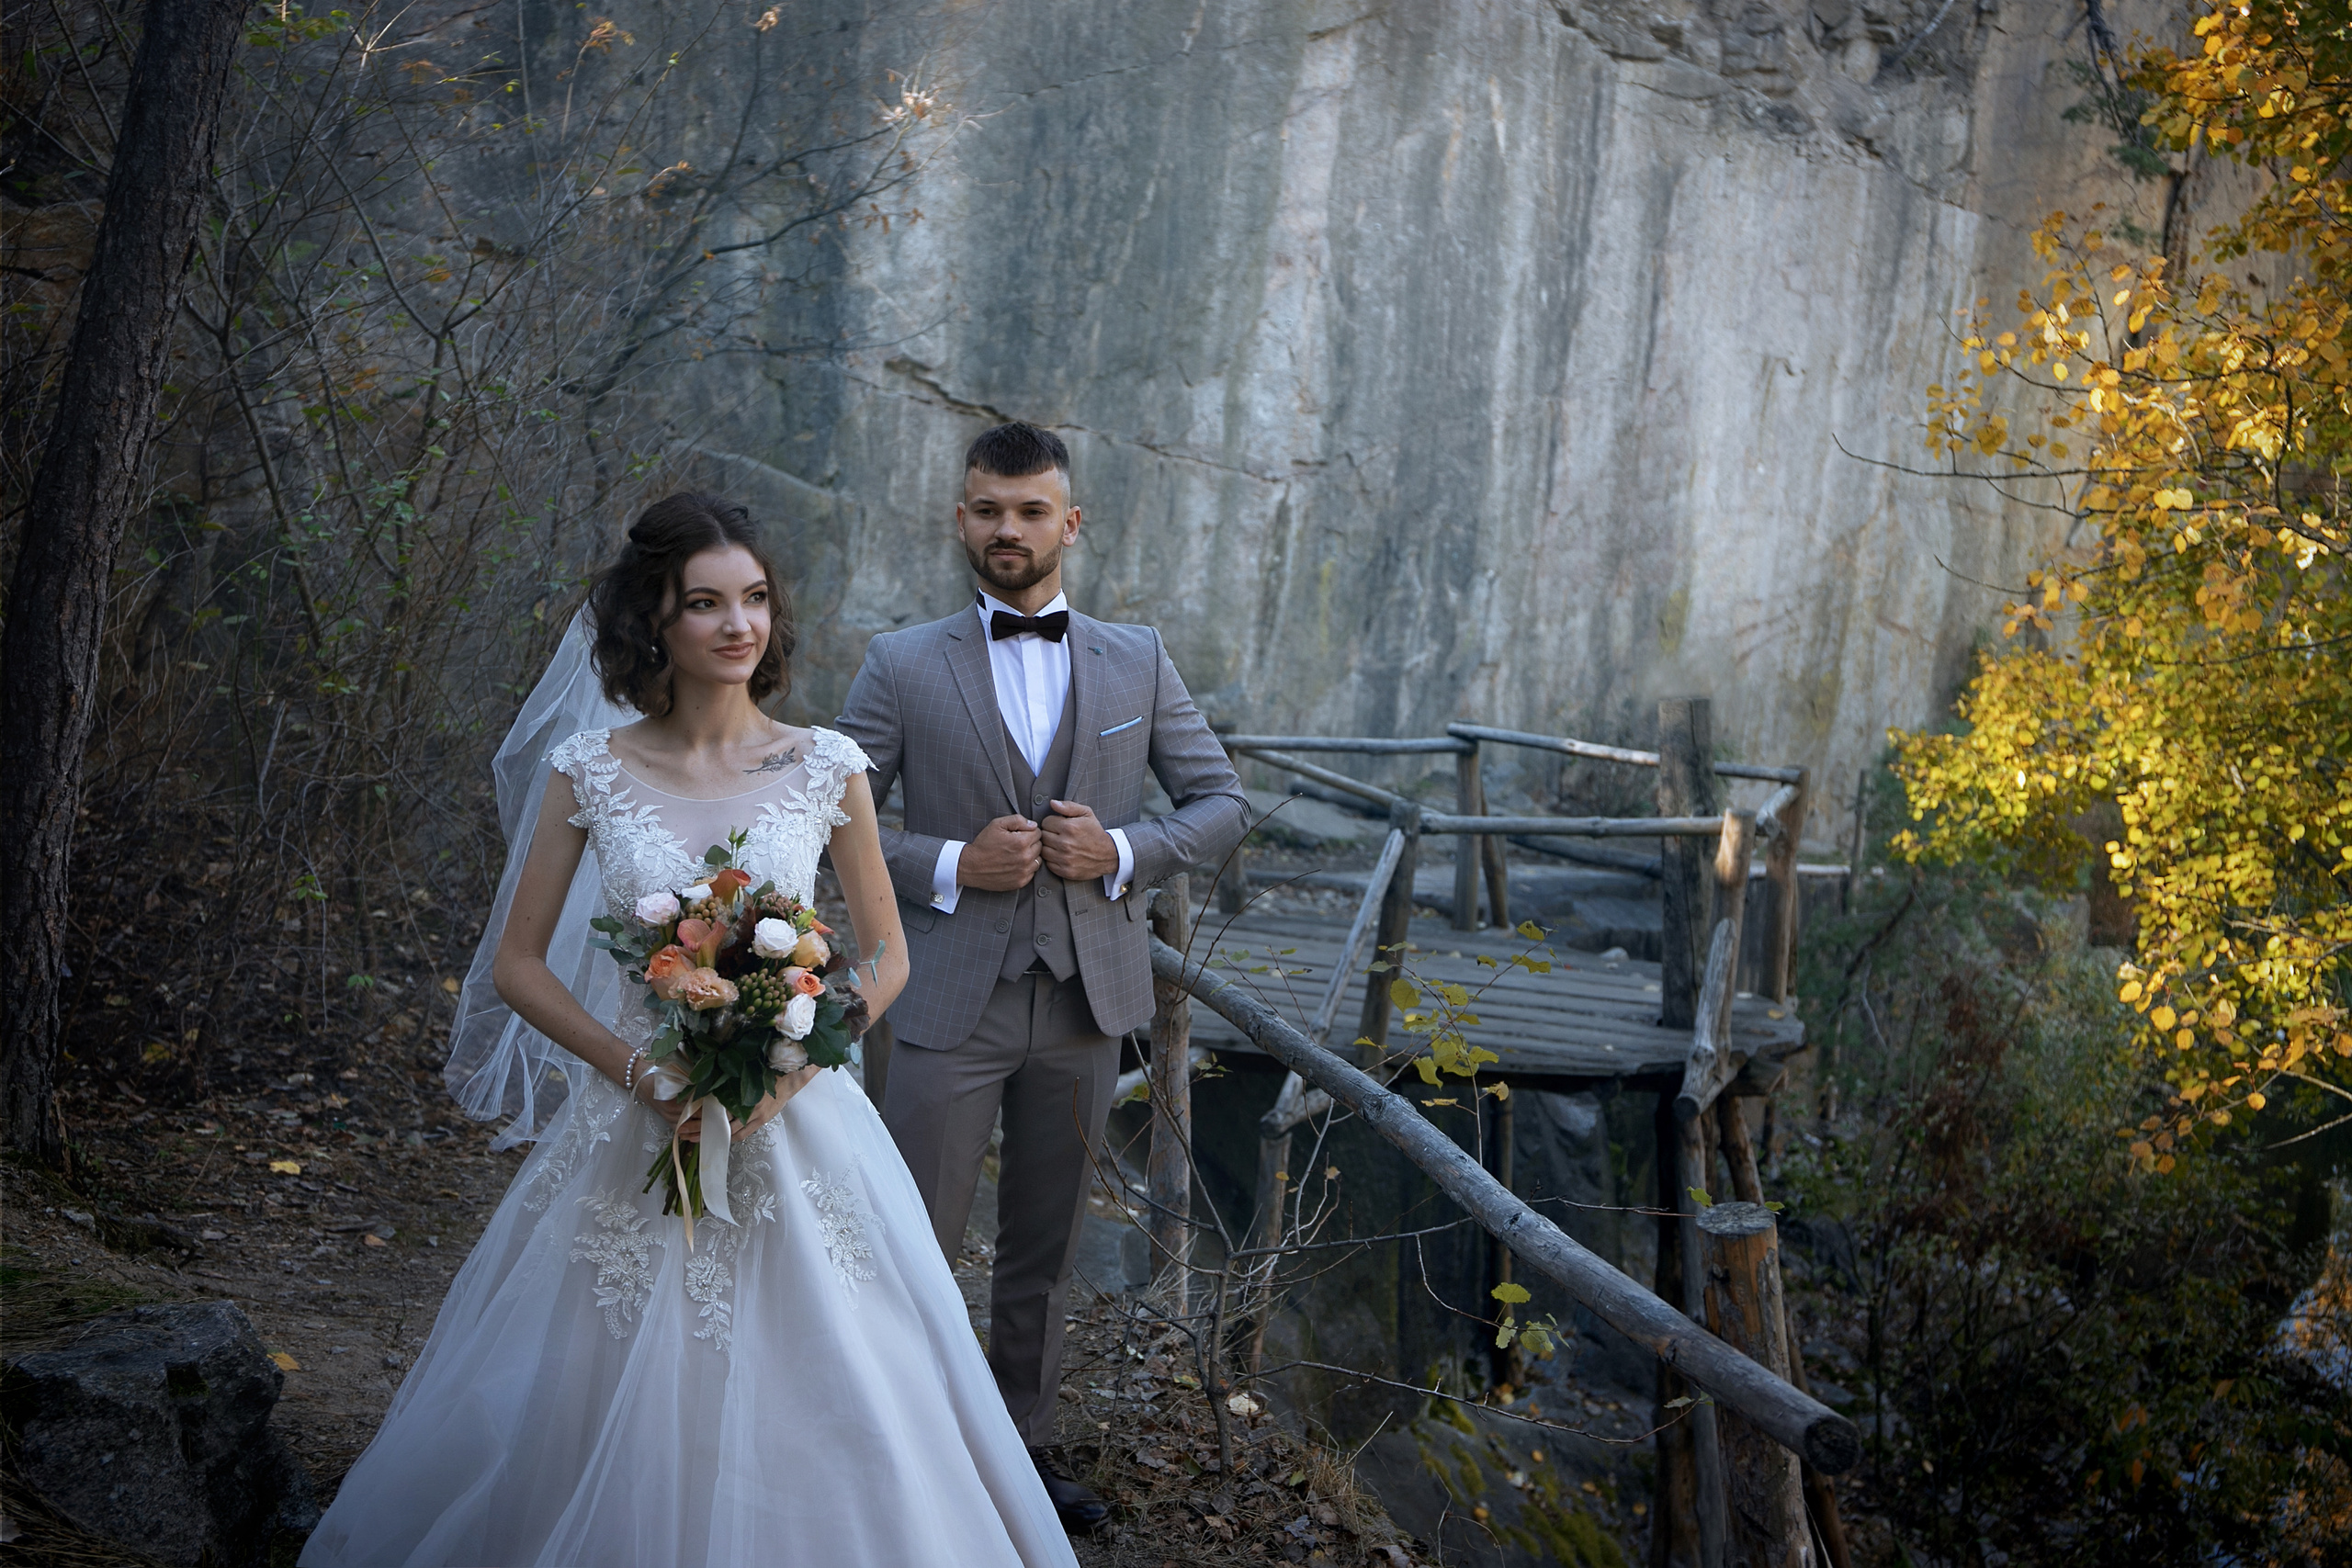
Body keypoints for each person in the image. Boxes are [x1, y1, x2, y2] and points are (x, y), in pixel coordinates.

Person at [301, 494, 1079, 1568]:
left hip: (803, 1122)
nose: (736, 625)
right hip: (638, 1116)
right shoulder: (591, 770)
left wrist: (789, 1068)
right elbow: (517, 966)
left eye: (753, 600)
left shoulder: (826, 765)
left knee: (848, 1375)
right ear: (653, 625)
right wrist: (644, 1078)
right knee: (598, 1382)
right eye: (703, 603)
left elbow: (886, 956)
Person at [835, 423, 1250, 1532]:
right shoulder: (900, 661)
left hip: (1086, 1000)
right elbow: (831, 814)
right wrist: (946, 862)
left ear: (1070, 524)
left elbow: (1220, 803)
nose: (1006, 530)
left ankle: (1017, 1457)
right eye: (986, 509)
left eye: (1029, 512)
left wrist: (1118, 851)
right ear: (958, 519)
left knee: (1046, 1247)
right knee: (912, 1235)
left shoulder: (1138, 658)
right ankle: (894, 1456)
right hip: (942, 996)